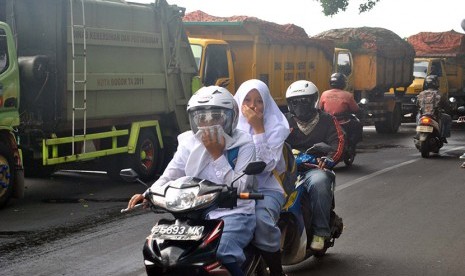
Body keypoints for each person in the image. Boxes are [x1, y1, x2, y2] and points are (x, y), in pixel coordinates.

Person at [127, 86, 256, 276]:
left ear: (231, 117)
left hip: (234, 214)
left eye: (216, 117)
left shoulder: (244, 144)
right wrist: (148, 193)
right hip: (193, 215)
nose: (209, 123)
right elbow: (172, 173)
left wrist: (217, 155)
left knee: (222, 251)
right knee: (163, 253)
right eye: (202, 118)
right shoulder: (188, 143)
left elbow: (240, 186)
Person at [234, 79, 289, 276]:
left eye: (258, 101)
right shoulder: (230, 127)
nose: (252, 105)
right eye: (247, 100)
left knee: (261, 220)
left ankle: (276, 271)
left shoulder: (276, 127)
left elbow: (267, 166)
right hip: (234, 188)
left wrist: (258, 128)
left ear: (266, 103)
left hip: (266, 189)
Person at [284, 80, 345, 251]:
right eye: (295, 102)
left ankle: (320, 232)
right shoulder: (283, 121)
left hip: (314, 168)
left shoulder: (328, 120)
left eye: (304, 101)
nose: (300, 105)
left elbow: (338, 142)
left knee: (320, 183)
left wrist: (329, 159)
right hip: (287, 169)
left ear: (314, 101)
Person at [319, 72, 363, 145]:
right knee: (357, 125)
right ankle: (351, 145)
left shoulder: (324, 94)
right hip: (343, 123)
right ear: (343, 83)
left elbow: (320, 109)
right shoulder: (348, 95)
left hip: (328, 123)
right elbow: (356, 109)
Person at [416, 74, 452, 143]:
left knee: (417, 117)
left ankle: (417, 132)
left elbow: (417, 104)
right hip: (435, 116)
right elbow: (445, 104)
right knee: (448, 118)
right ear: (436, 83)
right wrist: (448, 109)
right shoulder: (439, 94)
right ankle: (443, 136)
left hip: (423, 115)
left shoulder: (421, 93)